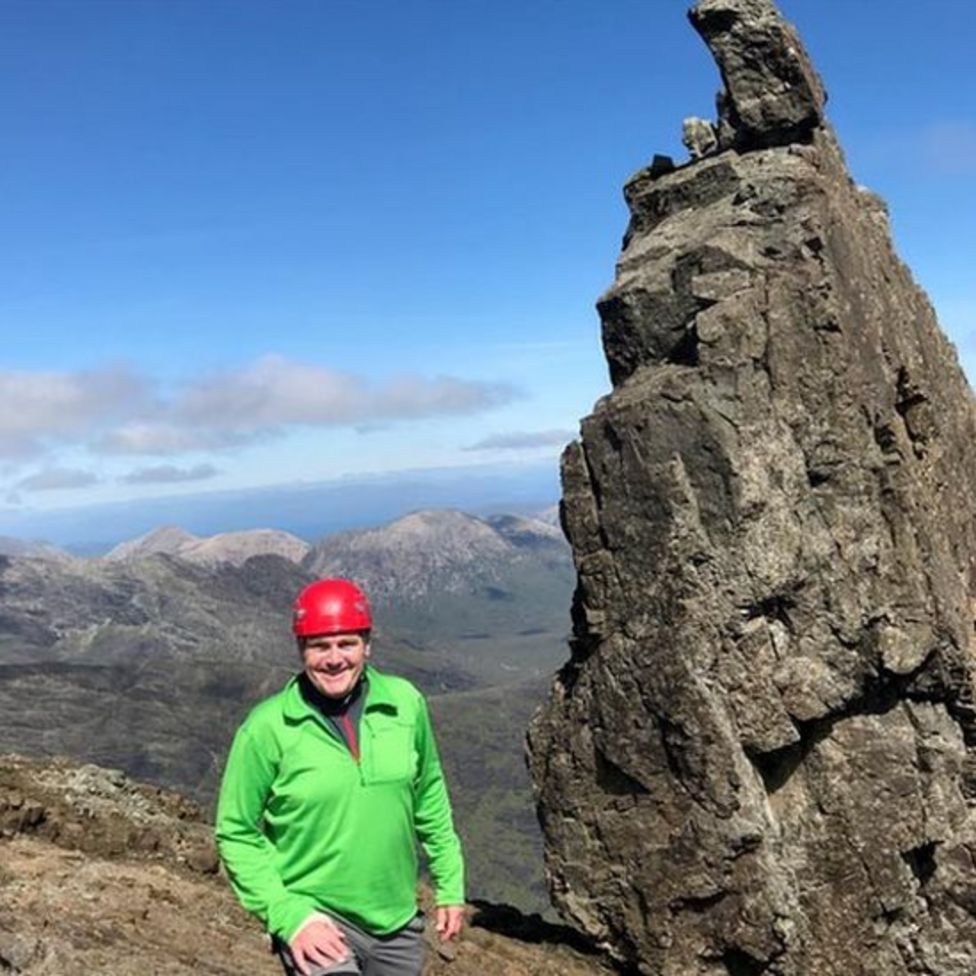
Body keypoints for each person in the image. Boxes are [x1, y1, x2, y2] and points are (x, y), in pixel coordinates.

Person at [215, 577, 465, 976]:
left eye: (346, 644)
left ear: (367, 645)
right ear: (302, 649)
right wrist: (289, 915)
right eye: (320, 646)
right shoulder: (267, 728)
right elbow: (235, 831)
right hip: (316, 917)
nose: (334, 659)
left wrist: (450, 883)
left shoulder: (405, 704)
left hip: (396, 919)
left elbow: (429, 793)